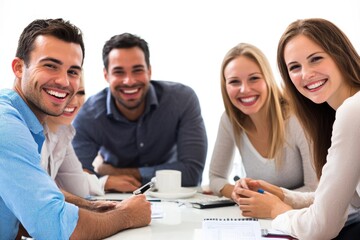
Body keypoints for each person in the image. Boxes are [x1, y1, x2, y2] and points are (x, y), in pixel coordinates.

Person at [0, 18, 151, 239]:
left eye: (73, 71)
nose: (63, 81)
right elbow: (57, 229)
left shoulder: (29, 122)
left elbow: (36, 193)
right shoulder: (6, 126)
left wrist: (93, 207)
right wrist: (127, 215)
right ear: (19, 68)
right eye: (50, 65)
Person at [232, 18, 360, 239]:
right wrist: (282, 196)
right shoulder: (345, 110)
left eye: (316, 59)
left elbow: (320, 228)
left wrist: (275, 210)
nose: (305, 74)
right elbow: (344, 198)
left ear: (340, 55)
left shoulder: (353, 110)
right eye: (295, 67)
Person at [72, 32, 208, 187]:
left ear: (149, 71)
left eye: (137, 70)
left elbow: (191, 173)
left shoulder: (182, 100)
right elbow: (76, 177)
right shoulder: (89, 115)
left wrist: (111, 172)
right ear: (106, 75)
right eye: (119, 72)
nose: (129, 81)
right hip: (115, 195)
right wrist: (105, 182)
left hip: (174, 194)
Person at [209, 43, 317, 198]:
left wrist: (265, 199)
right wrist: (238, 193)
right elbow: (215, 177)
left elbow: (315, 191)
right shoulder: (230, 120)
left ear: (268, 79)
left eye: (254, 78)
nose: (244, 89)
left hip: (301, 218)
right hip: (264, 217)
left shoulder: (297, 118)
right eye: (234, 82)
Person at [42, 76, 141, 198]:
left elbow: (76, 185)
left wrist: (104, 182)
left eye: (80, 93)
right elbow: (42, 193)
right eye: (62, 91)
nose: (73, 101)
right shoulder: (25, 132)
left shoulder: (63, 131)